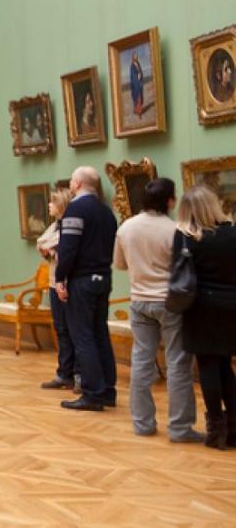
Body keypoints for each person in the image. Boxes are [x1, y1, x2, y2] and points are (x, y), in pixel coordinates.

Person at [113, 178, 203, 442]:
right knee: (177, 364)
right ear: (170, 201)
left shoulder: (126, 227)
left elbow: (120, 264)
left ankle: (142, 424)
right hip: (170, 301)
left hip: (139, 300)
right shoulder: (175, 229)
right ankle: (180, 428)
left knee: (141, 361)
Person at [173, 186, 236, 448]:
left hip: (201, 306)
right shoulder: (232, 233)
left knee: (208, 365)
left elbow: (177, 272)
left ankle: (216, 429)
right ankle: (234, 427)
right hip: (231, 305)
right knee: (225, 365)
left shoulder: (186, 236)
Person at [54, 166, 118, 412]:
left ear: (77, 184)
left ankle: (92, 393)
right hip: (103, 277)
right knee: (100, 333)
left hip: (82, 280)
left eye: (72, 180)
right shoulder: (106, 211)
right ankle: (107, 390)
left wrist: (60, 277)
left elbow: (68, 249)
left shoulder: (76, 209)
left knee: (83, 335)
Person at [37, 188, 78, 392]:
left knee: (73, 330)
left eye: (52, 202)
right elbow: (41, 242)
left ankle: (78, 374)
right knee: (61, 329)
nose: (49, 205)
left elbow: (61, 248)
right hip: (54, 282)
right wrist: (52, 250)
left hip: (69, 283)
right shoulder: (55, 225)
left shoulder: (70, 226)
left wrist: (52, 250)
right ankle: (64, 373)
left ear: (61, 205)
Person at [130, 52, 145, 116]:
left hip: (139, 83)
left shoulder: (138, 64)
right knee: (137, 97)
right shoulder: (132, 65)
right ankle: (139, 112)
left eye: (137, 56)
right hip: (135, 84)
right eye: (135, 56)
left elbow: (140, 71)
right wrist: (137, 76)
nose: (136, 57)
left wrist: (140, 75)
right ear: (133, 57)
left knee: (140, 96)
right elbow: (132, 75)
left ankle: (138, 110)